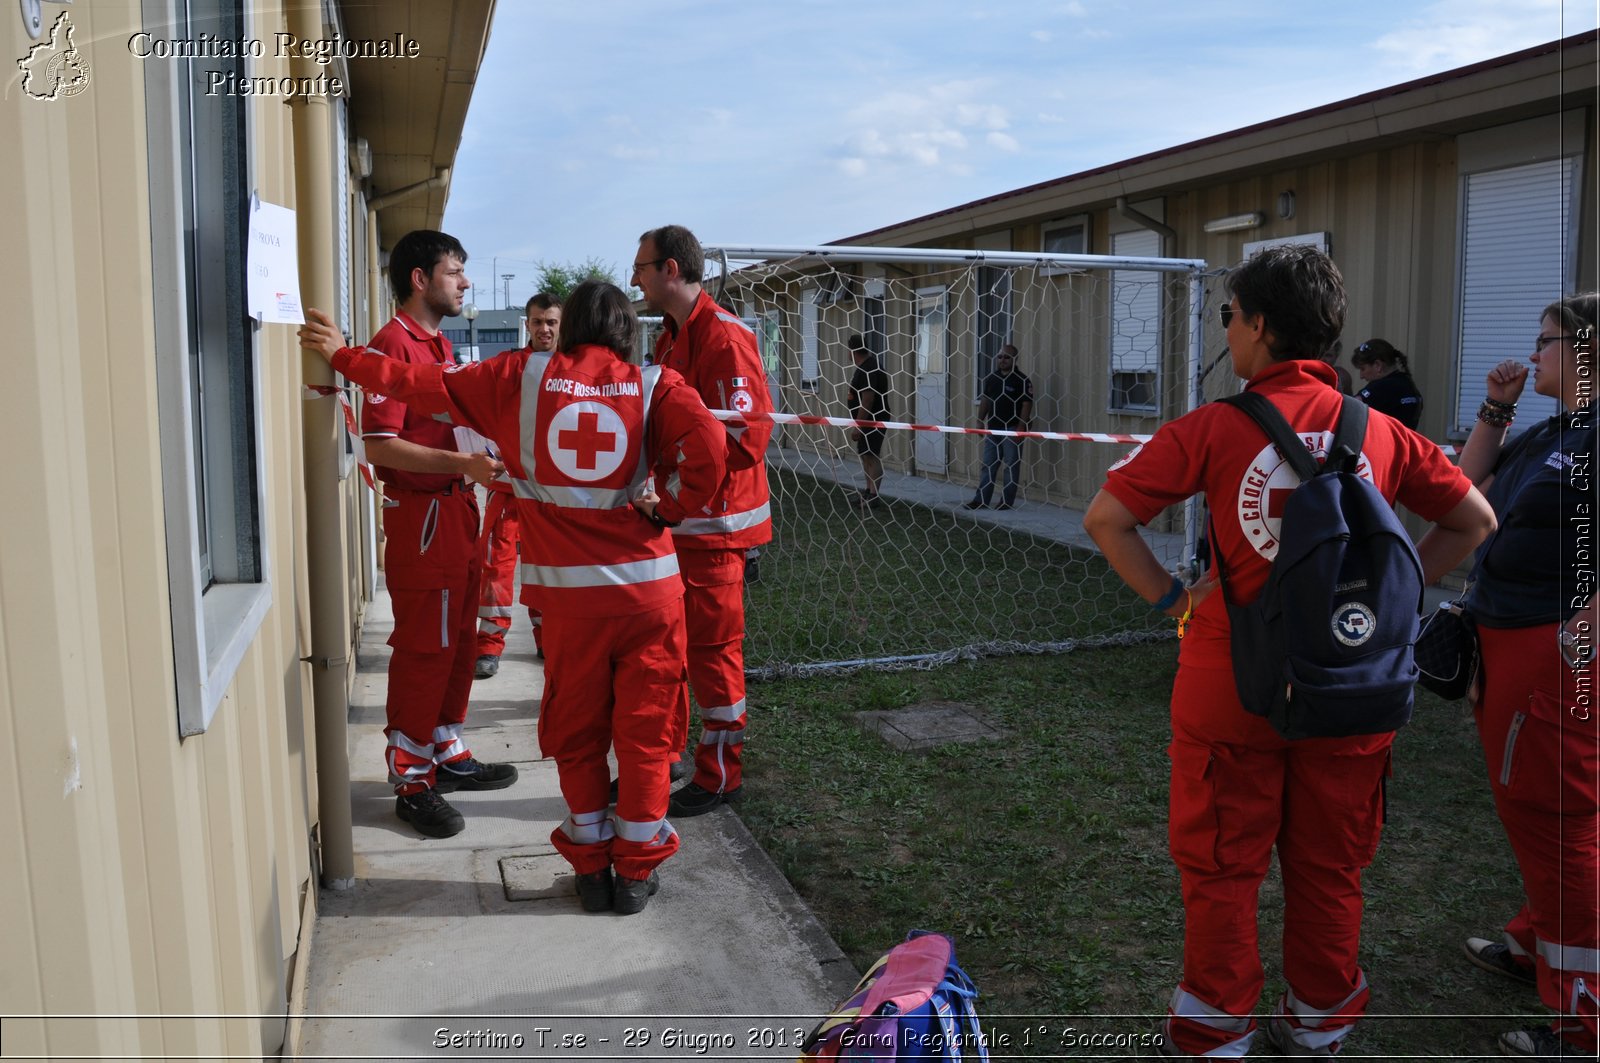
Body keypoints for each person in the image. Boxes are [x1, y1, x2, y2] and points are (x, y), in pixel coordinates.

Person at [1082, 244, 1494, 1059]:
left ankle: (1214, 1033)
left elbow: (1106, 517)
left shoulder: (1211, 426)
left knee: (1222, 874)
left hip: (1230, 688)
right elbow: (1475, 518)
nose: (1226, 329)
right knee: (1331, 870)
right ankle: (1321, 1025)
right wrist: (1397, 595)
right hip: (1350, 686)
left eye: (1228, 315)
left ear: (1261, 324)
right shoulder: (1382, 431)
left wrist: (1175, 599)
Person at [300, 280, 726, 914]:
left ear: (569, 324)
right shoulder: (654, 384)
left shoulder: (519, 380)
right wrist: (670, 506)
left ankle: (590, 867)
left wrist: (342, 356)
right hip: (649, 599)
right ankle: (635, 875)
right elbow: (713, 449)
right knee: (646, 736)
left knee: (578, 734)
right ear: (626, 330)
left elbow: (422, 386)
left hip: (571, 606)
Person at [1455, 294, 1598, 1060]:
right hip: (1507, 641)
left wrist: (1585, 634)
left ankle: (1585, 1020)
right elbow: (1465, 491)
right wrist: (1494, 408)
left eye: (1544, 342)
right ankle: (1537, 940)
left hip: (1559, 652)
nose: (1532, 353)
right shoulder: (1550, 430)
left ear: (1585, 349)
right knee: (1534, 808)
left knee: (1558, 818)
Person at [354, 230, 517, 839]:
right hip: (425, 521)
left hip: (458, 514)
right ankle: (411, 777)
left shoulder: (436, 342)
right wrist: (460, 467)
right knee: (426, 647)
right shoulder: (391, 346)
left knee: (456, 642)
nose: (465, 282)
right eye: (454, 272)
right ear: (420, 278)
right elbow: (380, 445)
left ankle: (445, 749)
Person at [633, 225, 774, 817]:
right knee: (674, 652)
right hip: (678, 525)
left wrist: (674, 480)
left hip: (716, 530)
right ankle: (662, 766)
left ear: (670, 269)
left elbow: (745, 439)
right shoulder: (669, 338)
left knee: (714, 655)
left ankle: (720, 776)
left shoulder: (723, 337)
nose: (634, 277)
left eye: (640, 267)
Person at [473, 292, 562, 679]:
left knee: (549, 570)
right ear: (526, 324)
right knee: (496, 569)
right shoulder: (507, 368)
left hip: (550, 499)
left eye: (552, 322)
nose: (544, 329)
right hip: (508, 493)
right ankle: (489, 646)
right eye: (538, 321)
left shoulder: (572, 369)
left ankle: (549, 640)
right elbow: (474, 409)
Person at [963, 344, 1033, 510]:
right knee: (988, 464)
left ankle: (1006, 501)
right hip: (993, 428)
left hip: (1012, 428)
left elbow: (1026, 403)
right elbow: (986, 399)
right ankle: (981, 500)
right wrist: (980, 420)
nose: (1002, 360)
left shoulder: (1022, 380)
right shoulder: (992, 378)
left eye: (1007, 357)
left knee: (1011, 465)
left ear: (1014, 360)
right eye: (1000, 356)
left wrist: (1021, 427)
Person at [846, 334, 890, 508]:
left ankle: (873, 496)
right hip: (867, 420)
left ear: (853, 350)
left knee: (871, 455)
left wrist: (859, 425)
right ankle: (867, 491)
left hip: (873, 419)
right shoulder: (864, 366)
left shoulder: (869, 368)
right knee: (865, 455)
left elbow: (868, 399)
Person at [1351, 338, 1424, 429]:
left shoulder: (1380, 387)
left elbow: (1351, 407)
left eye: (1363, 369)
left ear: (1378, 365)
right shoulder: (1408, 384)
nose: (1361, 376)